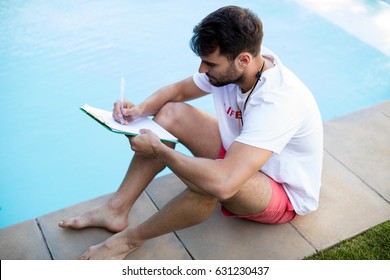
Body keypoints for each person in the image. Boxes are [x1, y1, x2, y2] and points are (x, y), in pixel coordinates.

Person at [59, 5, 323, 259]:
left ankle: (127, 240)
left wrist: (160, 151)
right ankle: (115, 210)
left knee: (208, 184)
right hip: (241, 156)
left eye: (210, 64)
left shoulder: (278, 101)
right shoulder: (247, 58)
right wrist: (139, 111)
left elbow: (224, 182)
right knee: (170, 112)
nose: (202, 70)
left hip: (281, 192)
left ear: (243, 60)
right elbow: (177, 91)